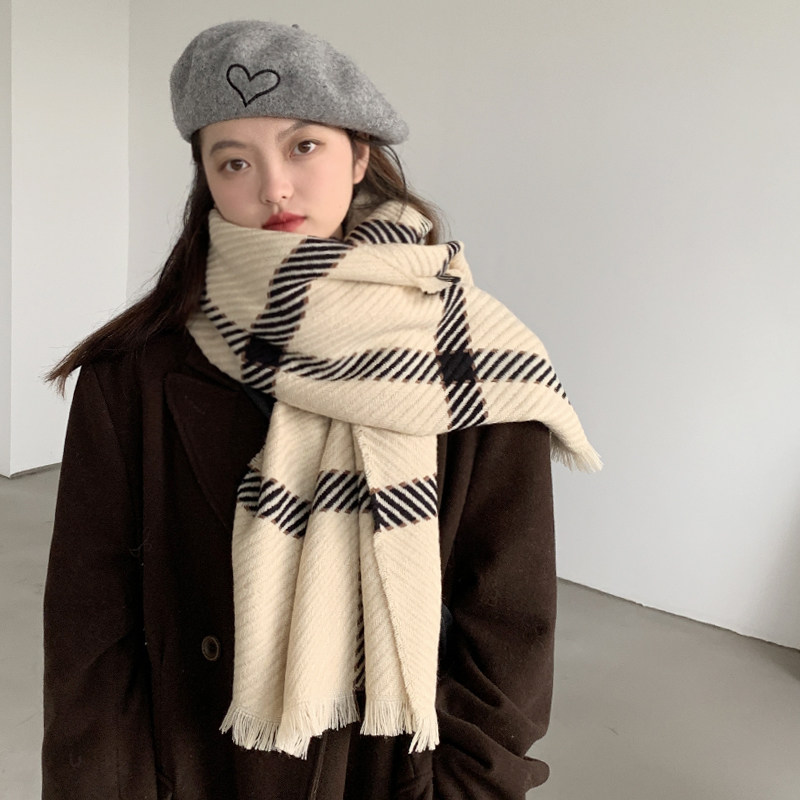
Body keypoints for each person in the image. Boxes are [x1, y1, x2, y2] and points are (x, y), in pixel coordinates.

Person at [42, 20, 600, 800]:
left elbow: (507, 622)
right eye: (235, 161)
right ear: (207, 178)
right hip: (191, 768)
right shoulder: (131, 373)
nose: (273, 187)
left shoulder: (472, 360)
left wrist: (465, 786)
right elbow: (90, 630)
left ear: (359, 154)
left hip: (388, 774)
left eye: (303, 147)